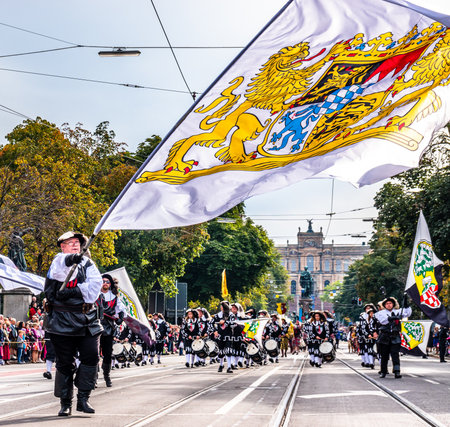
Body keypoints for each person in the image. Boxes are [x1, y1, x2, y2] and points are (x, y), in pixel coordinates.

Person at [44, 231, 103, 416]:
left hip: (86, 320)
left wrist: (75, 291)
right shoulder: (58, 261)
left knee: (91, 357)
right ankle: (65, 402)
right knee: (64, 363)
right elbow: (59, 271)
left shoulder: (88, 264)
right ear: (63, 247)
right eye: (70, 243)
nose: (75, 245)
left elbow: (95, 287)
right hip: (61, 321)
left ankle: (83, 398)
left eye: (77, 242)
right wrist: (71, 260)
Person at [96, 274, 126, 387]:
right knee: (94, 353)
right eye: (103, 281)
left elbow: (121, 309)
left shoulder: (114, 297)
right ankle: (94, 377)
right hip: (95, 326)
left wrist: (120, 318)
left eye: (107, 282)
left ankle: (107, 376)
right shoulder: (95, 295)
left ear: (110, 284)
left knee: (107, 353)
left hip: (108, 327)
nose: (105, 283)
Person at [374, 295, 412, 379]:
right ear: (384, 305)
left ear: (393, 304)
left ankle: (397, 371)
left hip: (395, 336)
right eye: (387, 303)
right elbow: (383, 321)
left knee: (395, 355)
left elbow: (407, 313)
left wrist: (406, 304)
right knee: (384, 355)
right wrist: (393, 317)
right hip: (385, 336)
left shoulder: (398, 311)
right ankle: (383, 371)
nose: (388, 305)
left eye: (390, 303)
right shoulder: (380, 313)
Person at [213, 301, 233, 373]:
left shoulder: (231, 315)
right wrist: (215, 330)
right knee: (221, 351)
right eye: (221, 306)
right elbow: (211, 323)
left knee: (228, 351)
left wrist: (225, 322)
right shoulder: (217, 315)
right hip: (220, 335)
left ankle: (229, 366)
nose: (221, 307)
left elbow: (233, 323)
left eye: (223, 306)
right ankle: (221, 365)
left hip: (228, 335)